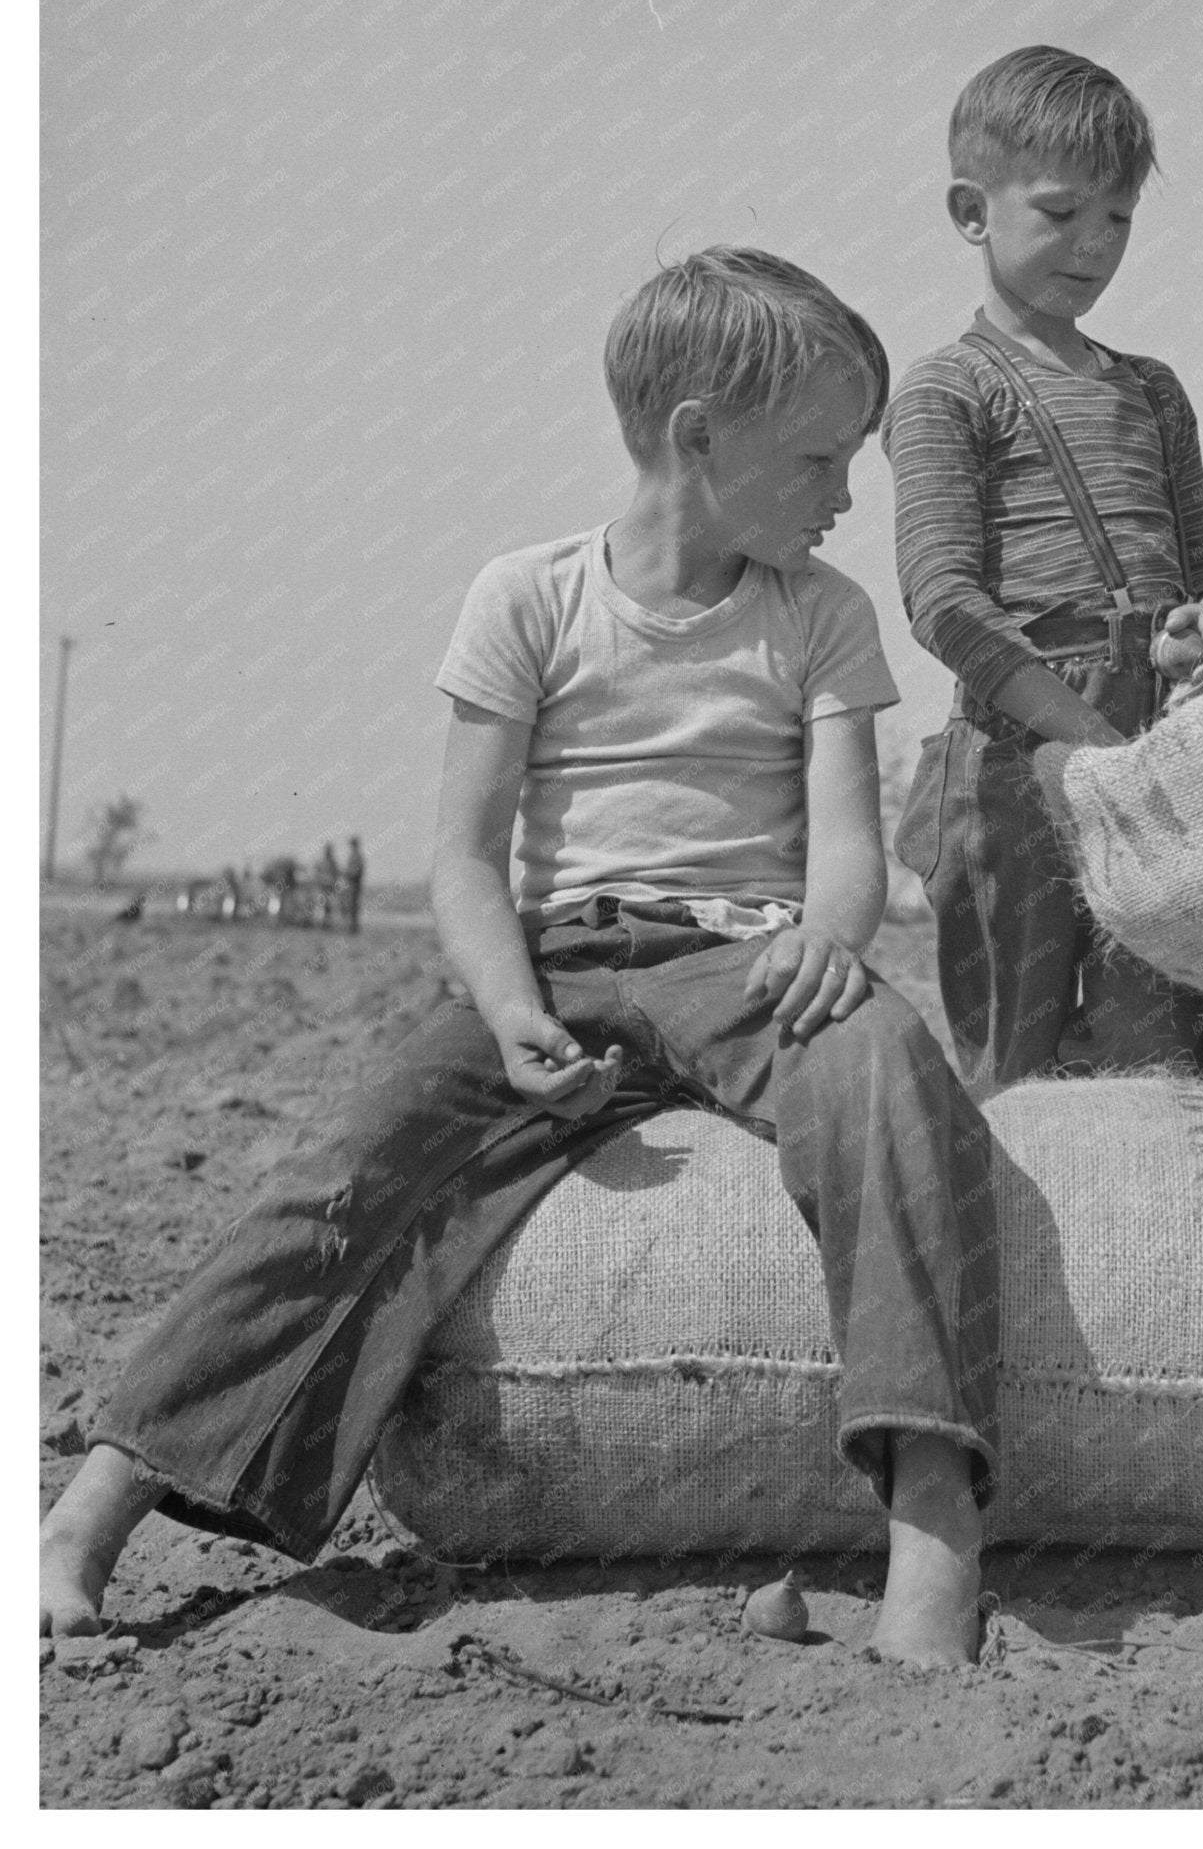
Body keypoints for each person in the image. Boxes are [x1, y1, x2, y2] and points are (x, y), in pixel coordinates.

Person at [40, 249, 998, 1669]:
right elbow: (471, 857)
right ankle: (95, 1510)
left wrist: (828, 939)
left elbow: (847, 847)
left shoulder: (821, 615)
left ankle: (930, 1507)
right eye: (820, 459)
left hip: (742, 957)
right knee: (358, 1164)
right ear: (697, 438)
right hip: (550, 961)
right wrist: (502, 1008)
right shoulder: (528, 599)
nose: (846, 495)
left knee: (884, 1065)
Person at [887, 45, 1203, 1099]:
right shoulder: (947, 389)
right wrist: (1089, 743)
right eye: (1059, 212)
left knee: (1158, 1050)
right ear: (970, 210)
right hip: (1013, 757)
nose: (1092, 244)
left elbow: (1200, 566)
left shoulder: (1151, 391)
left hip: (1148, 737)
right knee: (1016, 1061)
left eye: (1117, 218)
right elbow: (943, 603)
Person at [312, 841, 341, 929]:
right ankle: (321, 924)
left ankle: (327, 924)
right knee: (321, 906)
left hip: (329, 888)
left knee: (329, 907)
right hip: (322, 887)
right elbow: (317, 873)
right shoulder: (322, 862)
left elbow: (336, 874)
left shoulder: (333, 863)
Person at [340, 834, 365, 935]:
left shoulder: (357, 856)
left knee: (353, 907)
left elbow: (355, 872)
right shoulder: (355, 855)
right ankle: (352, 928)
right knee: (351, 907)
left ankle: (353, 929)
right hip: (351, 885)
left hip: (354, 885)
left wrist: (346, 873)